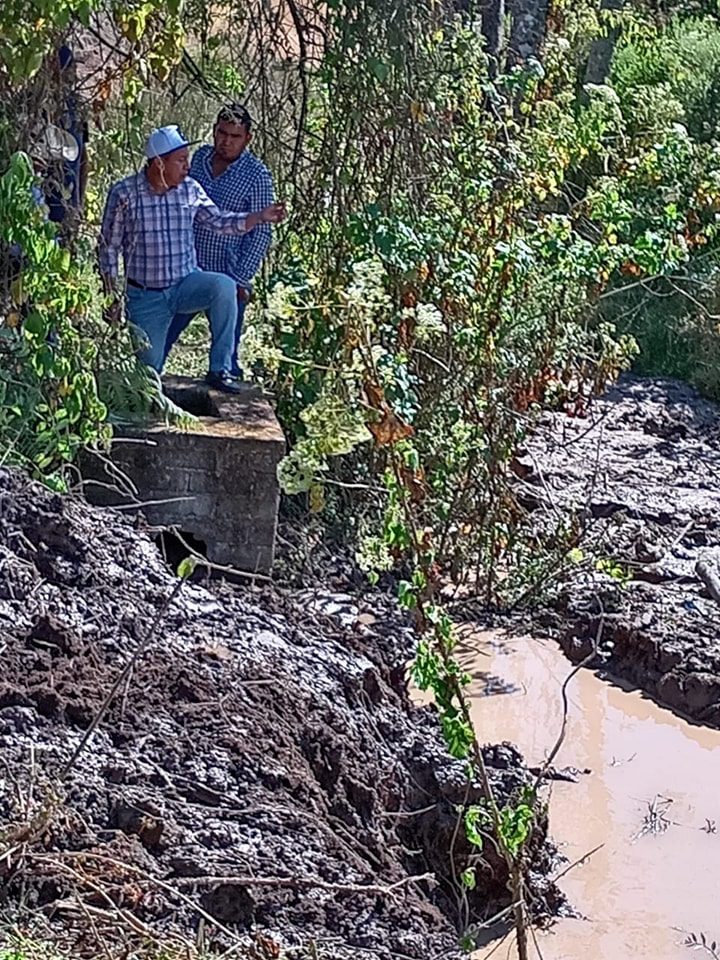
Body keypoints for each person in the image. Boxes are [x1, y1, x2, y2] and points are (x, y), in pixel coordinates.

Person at [99, 124, 285, 394]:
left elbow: (219, 220)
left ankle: (219, 369)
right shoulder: (125, 194)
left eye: (187, 159)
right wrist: (110, 295)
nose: (187, 167)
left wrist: (258, 217)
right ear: (159, 163)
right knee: (148, 377)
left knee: (224, 287)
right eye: (181, 161)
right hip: (146, 296)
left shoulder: (189, 189)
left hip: (186, 283)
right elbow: (108, 248)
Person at [163, 103, 275, 378]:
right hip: (188, 271)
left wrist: (240, 278)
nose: (226, 142)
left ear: (247, 139)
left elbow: (261, 232)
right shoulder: (198, 160)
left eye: (234, 137)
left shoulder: (256, 176)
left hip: (229, 273)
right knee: (161, 338)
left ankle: (227, 390)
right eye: (222, 133)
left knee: (226, 358)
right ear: (214, 131)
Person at [44, 45, 89, 226]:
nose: (72, 77)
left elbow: (84, 157)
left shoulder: (77, 107)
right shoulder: (37, 106)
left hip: (69, 203)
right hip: (41, 203)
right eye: (68, 70)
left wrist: (79, 203)